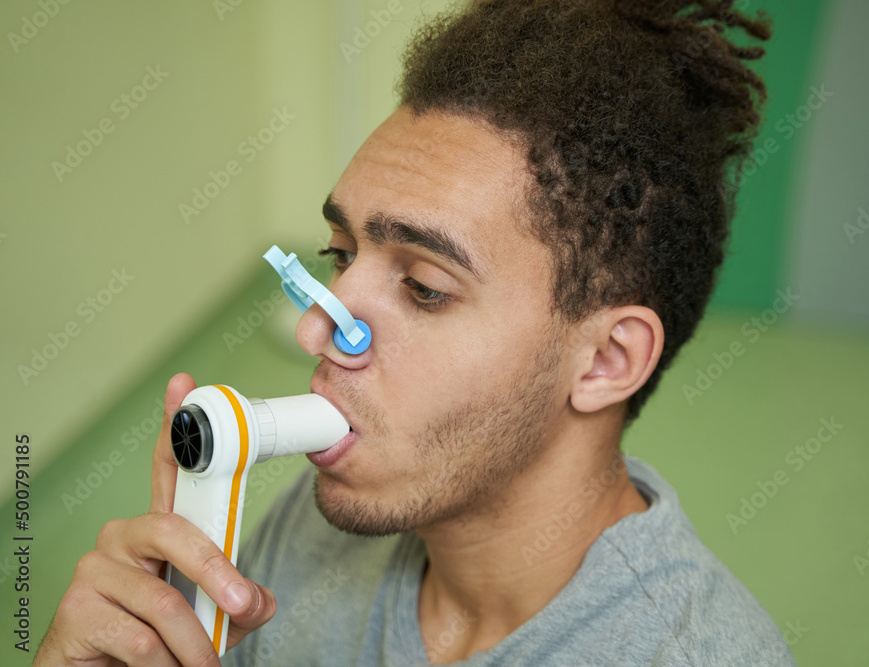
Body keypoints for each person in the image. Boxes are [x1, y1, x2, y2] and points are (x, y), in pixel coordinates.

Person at [37, 0, 797, 664]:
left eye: (425, 287)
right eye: (340, 256)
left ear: (604, 359)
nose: (315, 329)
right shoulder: (309, 526)